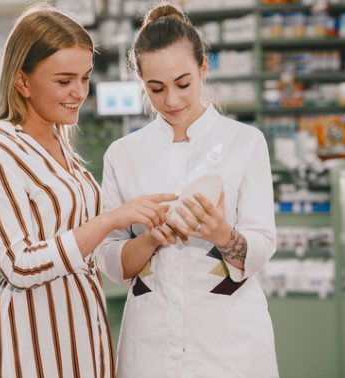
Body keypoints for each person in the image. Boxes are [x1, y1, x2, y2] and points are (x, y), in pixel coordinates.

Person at [0, 3, 175, 377]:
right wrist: (110, 220)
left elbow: (81, 242)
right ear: (22, 81)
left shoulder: (60, 146)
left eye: (85, 78)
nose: (79, 92)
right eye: (64, 81)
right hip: (30, 347)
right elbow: (20, 266)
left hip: (81, 339)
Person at [96, 3, 279, 377]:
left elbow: (261, 246)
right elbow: (110, 261)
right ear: (141, 82)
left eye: (183, 84)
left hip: (230, 346)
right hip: (150, 348)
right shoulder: (123, 154)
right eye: (156, 89)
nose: (172, 101)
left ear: (203, 67)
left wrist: (219, 233)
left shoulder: (245, 143)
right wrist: (150, 239)